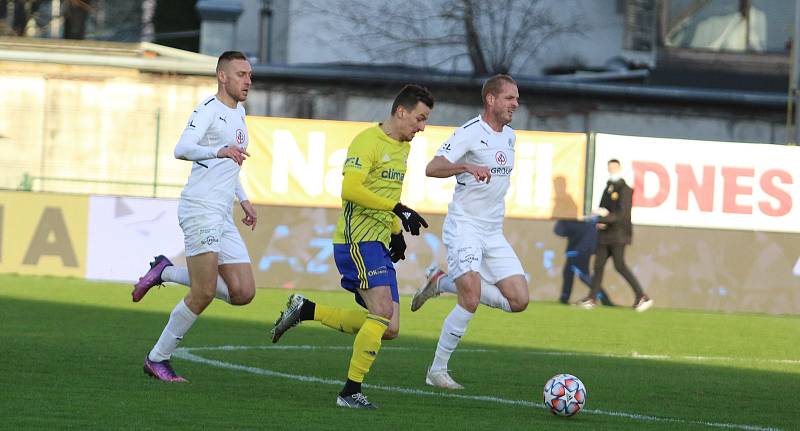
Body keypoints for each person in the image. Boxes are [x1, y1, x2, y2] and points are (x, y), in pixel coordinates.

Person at [269, 84, 434, 409]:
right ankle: (350, 392)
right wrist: (397, 211)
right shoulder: (366, 141)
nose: (422, 126)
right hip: (356, 241)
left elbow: (384, 194)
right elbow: (351, 189)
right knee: (383, 312)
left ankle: (306, 309)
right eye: (420, 118)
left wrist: (395, 229)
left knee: (389, 327)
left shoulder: (403, 147)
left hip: (378, 240)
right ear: (401, 111)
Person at [131, 51, 258, 382]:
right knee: (202, 294)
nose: (248, 80)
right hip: (200, 208)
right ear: (222, 76)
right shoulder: (208, 111)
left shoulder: (240, 112)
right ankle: (157, 359)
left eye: (249, 75)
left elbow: (231, 164)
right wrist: (218, 151)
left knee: (243, 292)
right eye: (241, 74)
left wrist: (243, 199)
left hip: (222, 213)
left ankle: (166, 272)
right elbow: (182, 148)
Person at [421, 74, 528, 390]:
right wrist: (466, 167)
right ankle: (437, 371)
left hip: (493, 232)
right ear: (491, 100)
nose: (515, 104)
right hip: (464, 226)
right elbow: (432, 167)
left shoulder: (510, 137)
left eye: (517, 98)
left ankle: (441, 282)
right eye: (510, 98)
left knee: (519, 300)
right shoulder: (469, 133)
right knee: (471, 296)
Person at [578, 159, 653, 311]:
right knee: (598, 265)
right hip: (605, 234)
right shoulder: (608, 187)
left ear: (619, 168)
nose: (611, 169)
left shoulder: (625, 189)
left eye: (614, 167)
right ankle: (592, 298)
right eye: (609, 167)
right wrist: (599, 218)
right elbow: (603, 208)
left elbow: (621, 214)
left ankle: (642, 297)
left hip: (618, 234)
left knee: (620, 265)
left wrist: (603, 218)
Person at [553, 218, 614, 305]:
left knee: (583, 276)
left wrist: (562, 221)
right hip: (579, 250)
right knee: (568, 274)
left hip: (578, 250)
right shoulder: (588, 220)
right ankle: (564, 298)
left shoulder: (575, 219)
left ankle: (604, 298)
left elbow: (559, 231)